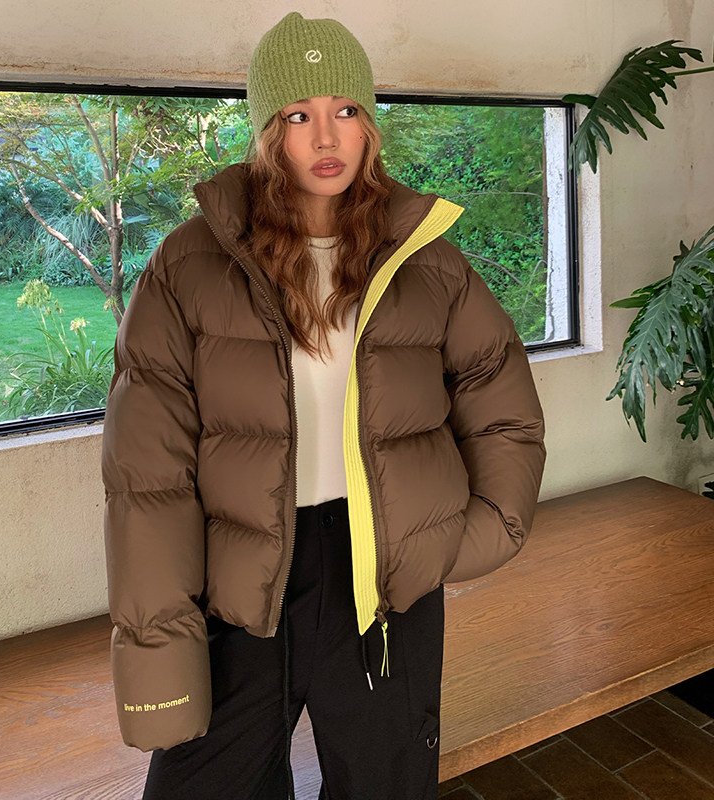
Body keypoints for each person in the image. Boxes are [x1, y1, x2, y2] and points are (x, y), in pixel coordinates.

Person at [102, 11, 546, 800]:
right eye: (298, 115)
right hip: (241, 581)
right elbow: (147, 481)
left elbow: (502, 403)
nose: (327, 136)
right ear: (266, 132)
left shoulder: (427, 262)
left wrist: (467, 537)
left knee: (387, 784)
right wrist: (160, 650)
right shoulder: (187, 264)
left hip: (384, 585)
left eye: (345, 110)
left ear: (369, 125)